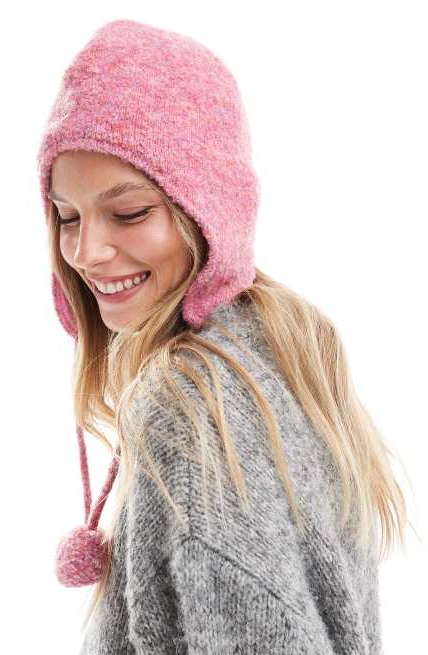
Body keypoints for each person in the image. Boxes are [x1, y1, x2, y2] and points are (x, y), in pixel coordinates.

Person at [36, 19, 408, 654]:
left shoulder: (192, 405)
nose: (86, 251)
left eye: (129, 213)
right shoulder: (276, 356)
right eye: (66, 216)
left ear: (208, 212)